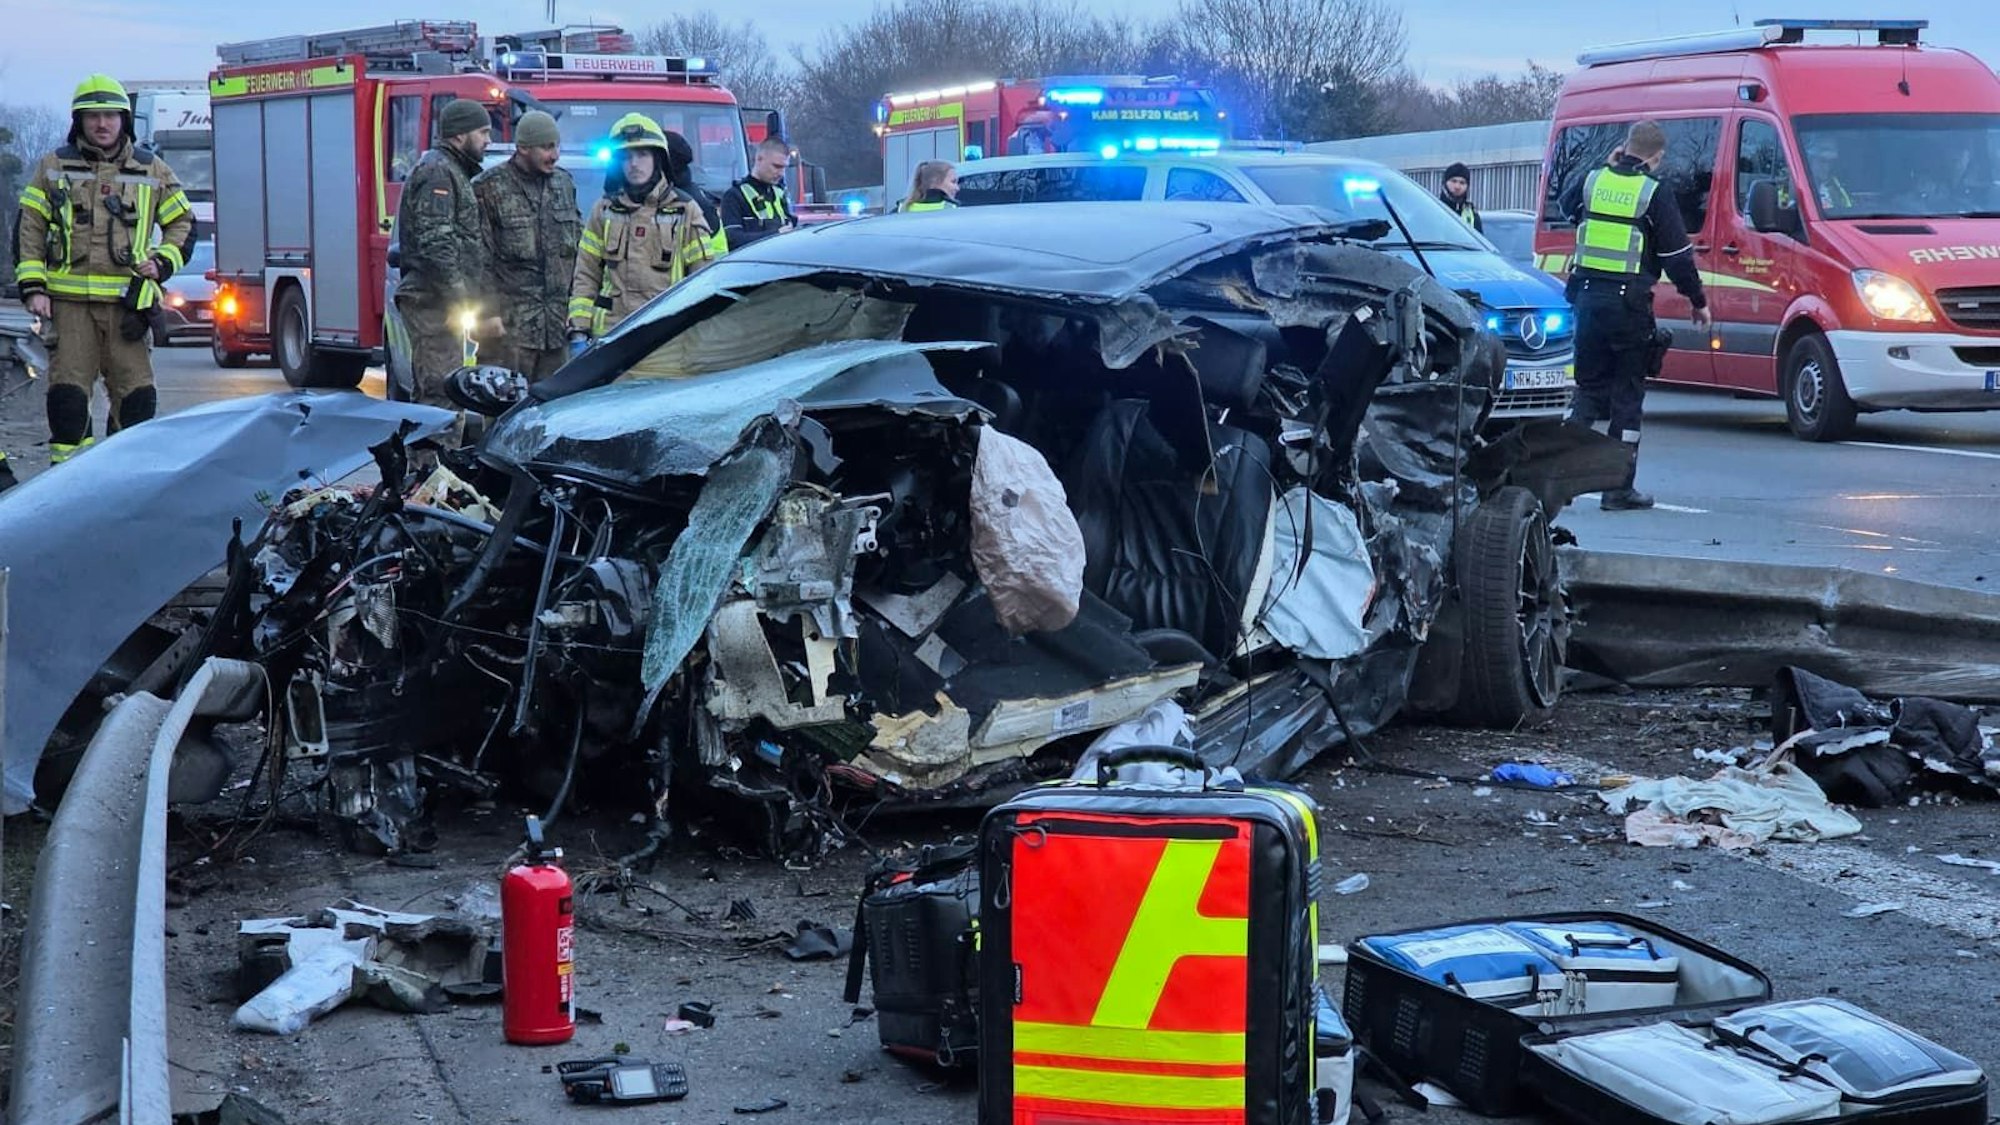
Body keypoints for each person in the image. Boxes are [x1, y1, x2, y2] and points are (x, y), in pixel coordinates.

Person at [13, 74, 194, 463]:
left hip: (127, 308)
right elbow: (30, 227)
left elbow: (183, 223)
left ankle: (123, 478)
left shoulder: (151, 170)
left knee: (136, 400)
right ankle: (68, 480)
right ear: (79, 120)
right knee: (68, 400)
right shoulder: (53, 167)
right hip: (69, 307)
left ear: (123, 120)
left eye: (110, 115)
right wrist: (34, 287)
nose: (102, 124)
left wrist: (162, 262)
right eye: (92, 116)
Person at [1561, 120, 1711, 511]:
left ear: (1624, 147)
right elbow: (1676, 257)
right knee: (1626, 397)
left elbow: (1565, 205)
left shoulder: (1593, 181)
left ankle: (1557, 479)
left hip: (1586, 299)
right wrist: (1697, 300)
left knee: (1588, 391)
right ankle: (1617, 489)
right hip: (1628, 306)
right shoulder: (1653, 192)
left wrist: (1605, 164)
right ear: (1657, 157)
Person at [568, 114, 720, 345]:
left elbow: (702, 282)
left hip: (665, 340)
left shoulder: (685, 210)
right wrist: (578, 331)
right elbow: (586, 275)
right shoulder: (603, 210)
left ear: (658, 158)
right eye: (626, 157)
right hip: (610, 338)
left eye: (642, 154)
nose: (634, 164)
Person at [395, 98, 495, 415]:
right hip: (432, 302)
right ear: (459, 135)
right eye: (483, 132)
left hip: (440, 301)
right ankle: (433, 450)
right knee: (441, 394)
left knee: (445, 392)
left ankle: (435, 448)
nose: (488, 140)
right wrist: (459, 299)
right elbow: (436, 242)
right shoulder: (438, 173)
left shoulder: (452, 171)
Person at [472, 110, 579, 382]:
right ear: (523, 148)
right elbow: (479, 259)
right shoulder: (488, 188)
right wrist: (487, 313)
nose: (554, 155)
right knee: (505, 402)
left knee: (554, 406)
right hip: (510, 333)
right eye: (546, 147)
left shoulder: (564, 184)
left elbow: (578, 253)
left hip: (557, 331)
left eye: (556, 146)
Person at [721, 137, 795, 251]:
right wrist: (775, 234)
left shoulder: (780, 194)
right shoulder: (734, 196)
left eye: (784, 168)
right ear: (759, 159)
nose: (781, 173)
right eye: (776, 166)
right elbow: (732, 239)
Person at [1439, 162, 1483, 232]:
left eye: (1462, 183)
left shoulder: (1471, 213)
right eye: (1454, 181)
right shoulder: (1435, 208)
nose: (1457, 187)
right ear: (1445, 182)